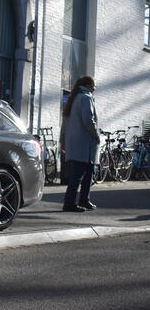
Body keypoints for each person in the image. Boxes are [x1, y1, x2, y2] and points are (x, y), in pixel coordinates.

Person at [60, 75, 99, 212]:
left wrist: (62, 142)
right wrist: (96, 135)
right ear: (88, 86)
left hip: (74, 144)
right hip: (85, 144)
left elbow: (64, 125)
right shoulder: (86, 98)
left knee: (80, 174)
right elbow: (88, 120)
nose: (95, 89)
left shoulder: (73, 99)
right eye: (94, 86)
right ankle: (71, 202)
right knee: (84, 175)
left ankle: (82, 200)